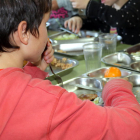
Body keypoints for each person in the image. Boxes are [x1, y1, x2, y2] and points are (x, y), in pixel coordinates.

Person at [0, 0, 140, 140]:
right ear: (24, 32)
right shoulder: (52, 103)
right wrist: (116, 86)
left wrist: (33, 72)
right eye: (45, 24)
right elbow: (133, 127)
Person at [65, 0, 140, 45]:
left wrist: (91, 6)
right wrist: (79, 20)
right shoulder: (109, 8)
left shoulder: (136, 4)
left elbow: (121, 19)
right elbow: (94, 22)